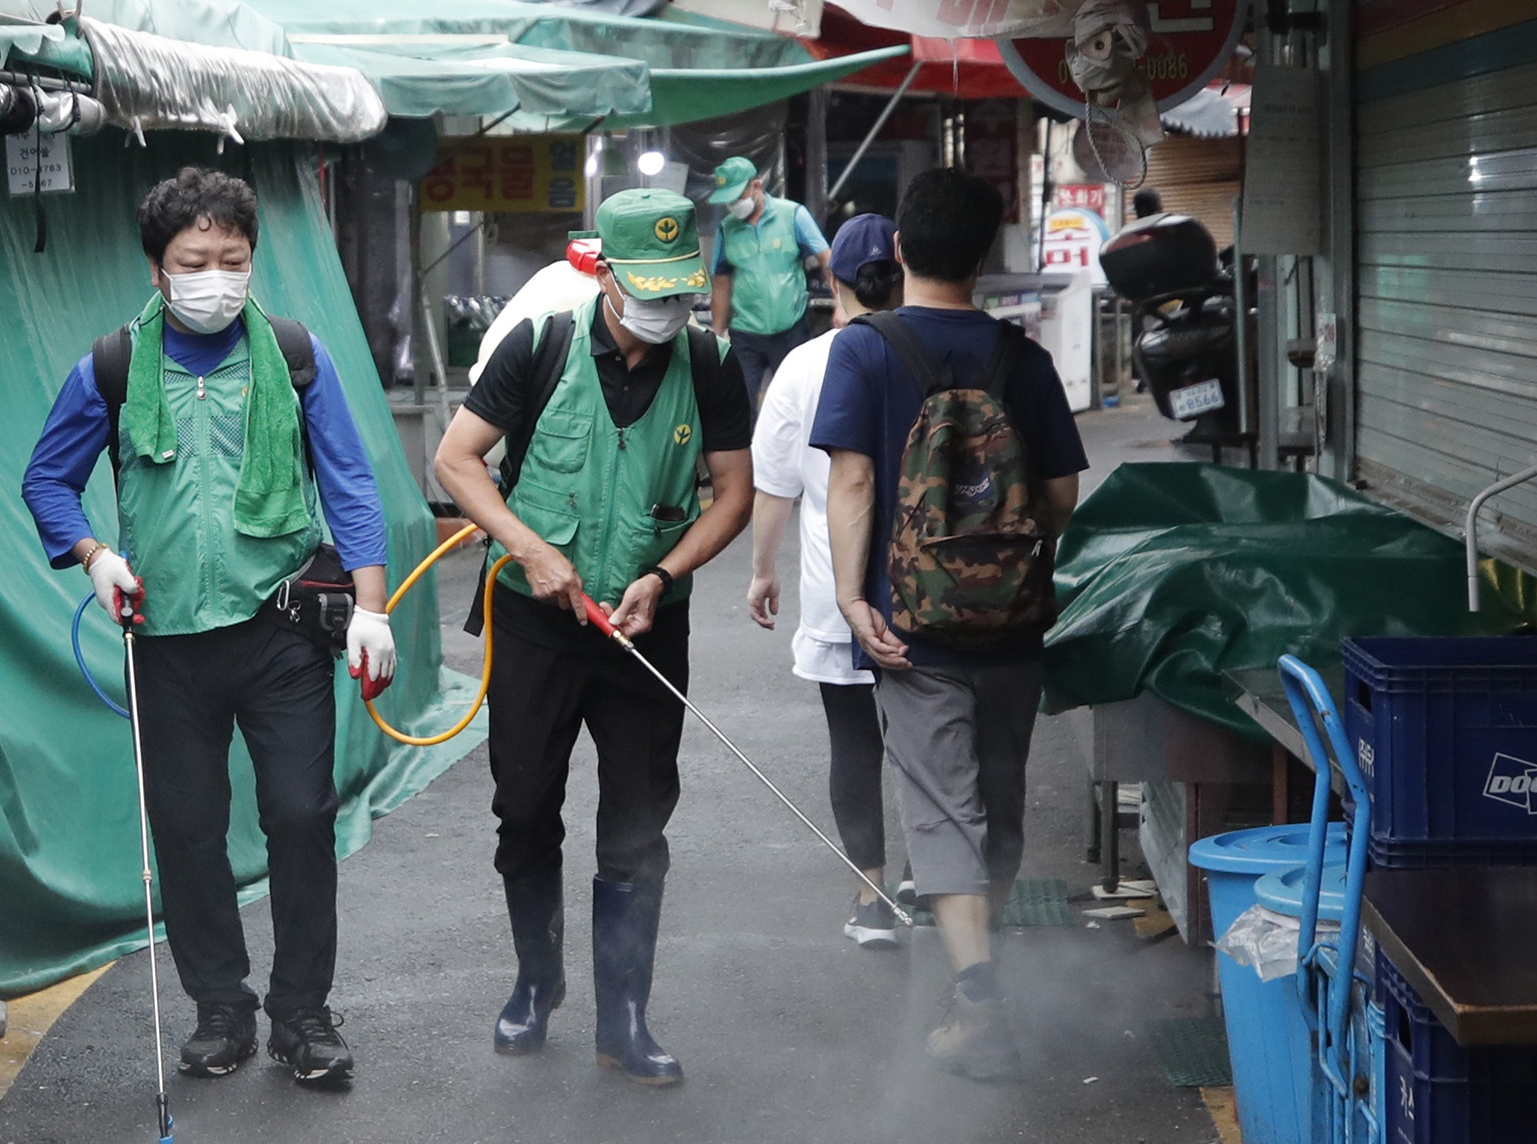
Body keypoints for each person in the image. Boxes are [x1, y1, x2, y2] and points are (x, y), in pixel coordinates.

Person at [22, 167, 394, 1085]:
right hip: (169, 641)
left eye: (235, 258)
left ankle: (303, 1013)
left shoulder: (298, 356)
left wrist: (372, 609)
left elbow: (349, 483)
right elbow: (46, 481)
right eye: (195, 260)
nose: (217, 276)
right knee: (188, 829)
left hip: (282, 632)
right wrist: (94, 553)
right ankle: (221, 1007)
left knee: (301, 816)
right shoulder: (109, 367)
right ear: (158, 269)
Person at [433, 188, 754, 1087]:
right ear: (604, 273)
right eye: (647, 288)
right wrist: (530, 550)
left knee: (638, 821)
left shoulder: (711, 360)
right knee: (526, 805)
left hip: (647, 628)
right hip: (536, 620)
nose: (665, 308)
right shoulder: (539, 345)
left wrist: (664, 574)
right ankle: (537, 981)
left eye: (680, 289)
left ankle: (626, 1015)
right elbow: (456, 460)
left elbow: (733, 492)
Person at [813, 169, 1088, 1080]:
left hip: (909, 628)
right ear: (984, 256)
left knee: (940, 806)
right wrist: (1001, 562)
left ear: (899, 250)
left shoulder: (863, 350)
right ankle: (983, 973)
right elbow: (1059, 497)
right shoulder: (1026, 360)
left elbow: (852, 481)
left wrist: (856, 600)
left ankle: (977, 996)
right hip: (1011, 627)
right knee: (999, 805)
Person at [744, 213, 905, 950]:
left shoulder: (804, 366)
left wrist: (760, 570)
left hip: (838, 591)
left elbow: (773, 485)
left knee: (854, 742)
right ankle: (936, 880)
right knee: (933, 736)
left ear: (831, 282)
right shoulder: (931, 349)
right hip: (936, 589)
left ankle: (871, 897)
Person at [707, 155, 831, 416]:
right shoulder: (727, 228)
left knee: (797, 406)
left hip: (791, 329)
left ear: (756, 185)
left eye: (737, 197)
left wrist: (841, 305)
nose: (734, 205)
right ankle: (747, 457)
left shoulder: (793, 215)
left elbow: (827, 260)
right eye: (729, 200)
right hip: (745, 333)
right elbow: (721, 281)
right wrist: (717, 333)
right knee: (739, 406)